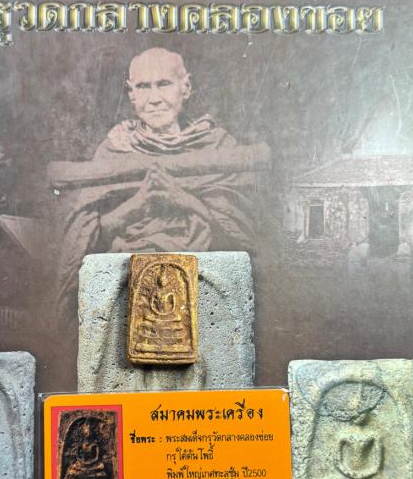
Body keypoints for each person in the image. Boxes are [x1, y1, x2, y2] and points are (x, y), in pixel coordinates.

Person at [55, 47, 260, 342]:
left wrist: (181, 198)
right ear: (131, 94)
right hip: (125, 290)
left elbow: (243, 237)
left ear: (185, 87)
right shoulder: (113, 151)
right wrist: (139, 203)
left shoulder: (218, 147)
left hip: (206, 293)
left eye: (163, 84)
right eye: (143, 87)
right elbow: (89, 237)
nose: (154, 98)